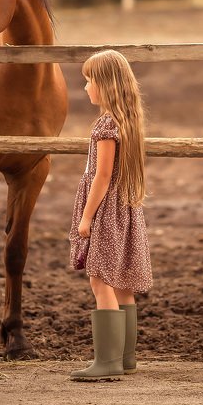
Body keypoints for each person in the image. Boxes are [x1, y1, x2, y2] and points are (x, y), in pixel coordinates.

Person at [69, 49, 152, 381]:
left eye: (89, 80)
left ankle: (107, 362)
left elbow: (102, 177)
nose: (86, 87)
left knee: (100, 278)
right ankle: (126, 358)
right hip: (125, 207)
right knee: (121, 282)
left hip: (105, 210)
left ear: (106, 85)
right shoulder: (127, 121)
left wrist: (87, 217)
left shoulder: (105, 125)